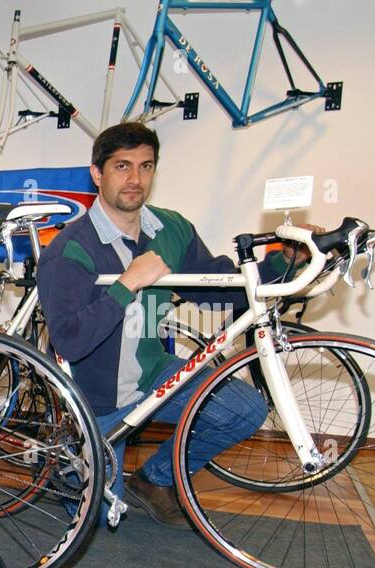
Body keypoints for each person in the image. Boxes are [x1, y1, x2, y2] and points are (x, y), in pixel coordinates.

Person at [37, 121, 309, 528]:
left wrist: (284, 261)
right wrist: (127, 283)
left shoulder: (171, 229)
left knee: (244, 409)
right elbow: (70, 341)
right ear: (98, 174)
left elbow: (223, 293)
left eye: (146, 167)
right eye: (122, 167)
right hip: (96, 398)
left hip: (153, 373)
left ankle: (155, 480)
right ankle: (70, 452)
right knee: (92, 522)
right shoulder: (71, 248)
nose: (135, 179)